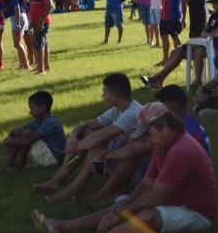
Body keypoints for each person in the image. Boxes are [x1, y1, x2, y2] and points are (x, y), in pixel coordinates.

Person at [34, 102, 218, 233]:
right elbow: (146, 183)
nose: (147, 139)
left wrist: (121, 214)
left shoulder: (180, 151)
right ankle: (62, 226)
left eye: (149, 133)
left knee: (145, 215)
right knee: (122, 204)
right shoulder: (163, 145)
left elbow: (154, 196)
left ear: (165, 128)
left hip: (196, 213)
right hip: (175, 200)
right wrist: (122, 208)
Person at [31, 73, 143, 201]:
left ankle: (73, 188)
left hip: (132, 169)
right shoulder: (117, 110)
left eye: (104, 93)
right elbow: (84, 125)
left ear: (114, 96)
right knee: (86, 133)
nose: (102, 96)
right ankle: (57, 181)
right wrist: (73, 137)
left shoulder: (133, 113)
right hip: (113, 156)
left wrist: (75, 146)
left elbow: (100, 138)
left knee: (98, 142)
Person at [0, 90, 66, 173]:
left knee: (27, 134)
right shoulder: (39, 120)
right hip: (47, 154)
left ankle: (20, 164)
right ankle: (10, 165)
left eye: (32, 109)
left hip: (54, 158)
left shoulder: (51, 122)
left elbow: (29, 140)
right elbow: (18, 130)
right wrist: (9, 137)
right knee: (20, 131)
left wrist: (10, 141)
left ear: (42, 108)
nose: (30, 112)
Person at [157, 0, 186, 65]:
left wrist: (183, 18)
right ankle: (165, 60)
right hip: (163, 15)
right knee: (164, 37)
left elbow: (184, 1)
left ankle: (178, 61)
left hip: (174, 15)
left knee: (175, 36)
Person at [27, 0, 54, 74]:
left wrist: (42, 19)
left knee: (39, 44)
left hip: (41, 22)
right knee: (44, 44)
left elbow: (50, 5)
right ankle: (45, 67)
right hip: (36, 21)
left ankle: (41, 70)